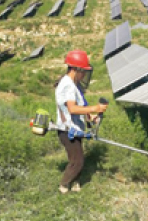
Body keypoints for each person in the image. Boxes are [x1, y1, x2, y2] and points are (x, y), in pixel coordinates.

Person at [55, 50, 108, 194]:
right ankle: (64, 185)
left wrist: (91, 116)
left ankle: (75, 182)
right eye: (83, 71)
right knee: (77, 161)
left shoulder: (74, 84)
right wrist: (96, 107)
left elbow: (81, 107)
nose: (84, 74)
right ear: (75, 69)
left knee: (77, 157)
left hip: (75, 128)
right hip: (67, 130)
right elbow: (72, 109)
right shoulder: (68, 85)